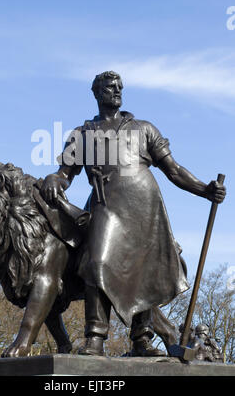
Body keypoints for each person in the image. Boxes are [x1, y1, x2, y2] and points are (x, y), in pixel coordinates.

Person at [40, 71, 226, 356]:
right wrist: (55, 179)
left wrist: (204, 189)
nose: (116, 91)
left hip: (144, 204)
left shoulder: (144, 129)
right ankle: (95, 338)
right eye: (110, 87)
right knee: (96, 263)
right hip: (105, 204)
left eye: (119, 87)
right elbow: (65, 174)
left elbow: (173, 170)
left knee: (144, 269)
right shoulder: (82, 134)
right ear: (97, 93)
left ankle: (141, 339)